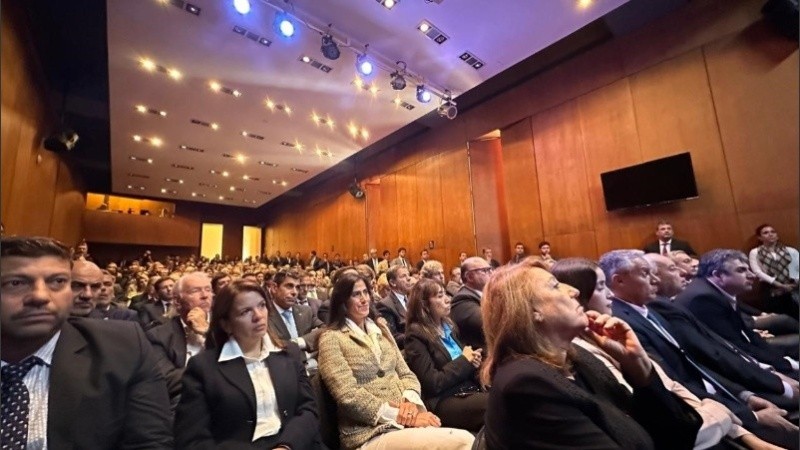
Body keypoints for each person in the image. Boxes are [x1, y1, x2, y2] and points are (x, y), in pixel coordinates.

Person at [552, 258, 782, 450]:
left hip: (711, 420)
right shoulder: (579, 352)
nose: (610, 295)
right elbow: (653, 428)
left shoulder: (614, 328)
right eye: (601, 287)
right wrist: (722, 414)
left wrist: (744, 434)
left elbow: (671, 384)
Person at [481, 258, 702, 449]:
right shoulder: (526, 385)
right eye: (555, 286)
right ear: (531, 311)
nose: (575, 291)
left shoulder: (578, 359)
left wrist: (638, 366)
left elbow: (676, 437)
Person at [1, 236, 172, 449]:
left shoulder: (122, 350)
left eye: (57, 282)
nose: (40, 296)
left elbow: (150, 444)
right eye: (16, 283)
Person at [317, 272, 474, 450]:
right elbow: (348, 396)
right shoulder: (331, 338)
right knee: (464, 441)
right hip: (369, 433)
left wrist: (410, 402)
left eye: (366, 292)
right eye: (356, 294)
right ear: (342, 301)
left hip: (405, 421)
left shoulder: (380, 329)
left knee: (463, 439)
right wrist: (400, 415)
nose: (364, 299)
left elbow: (406, 373)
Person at [175, 280, 323, 449]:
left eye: (261, 306)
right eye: (246, 311)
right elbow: (192, 438)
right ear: (226, 324)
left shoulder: (289, 352)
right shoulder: (203, 367)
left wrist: (286, 446)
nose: (259, 316)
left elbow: (308, 410)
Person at [675, 249, 799, 375]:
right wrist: (786, 365)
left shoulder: (712, 291)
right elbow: (735, 347)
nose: (752, 275)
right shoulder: (703, 299)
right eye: (741, 270)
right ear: (718, 275)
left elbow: (746, 335)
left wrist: (785, 361)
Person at [403, 279, 486, 432]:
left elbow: (465, 363)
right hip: (444, 400)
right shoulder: (415, 335)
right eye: (440, 296)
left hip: (468, 390)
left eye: (445, 294)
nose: (448, 299)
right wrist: (464, 361)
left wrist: (474, 363)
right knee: (495, 404)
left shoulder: (450, 326)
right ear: (425, 305)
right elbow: (433, 383)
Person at [146, 272, 213, 408]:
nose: (205, 295)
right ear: (177, 301)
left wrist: (208, 333)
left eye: (208, 290)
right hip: (183, 402)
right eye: (195, 291)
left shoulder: (226, 327)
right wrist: (214, 371)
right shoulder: (158, 335)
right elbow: (167, 381)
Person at [268, 271, 324, 373]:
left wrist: (301, 342)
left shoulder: (305, 311)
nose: (294, 292)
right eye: (289, 286)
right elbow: (275, 347)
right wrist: (306, 355)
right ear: (274, 288)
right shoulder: (265, 314)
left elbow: (326, 329)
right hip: (280, 372)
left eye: (297, 287)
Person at [748, 224, 799, 320]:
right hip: (770, 289)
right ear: (760, 237)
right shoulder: (755, 252)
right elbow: (757, 272)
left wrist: (796, 281)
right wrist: (778, 284)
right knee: (778, 318)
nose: (770, 234)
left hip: (791, 288)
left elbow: (797, 267)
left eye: (773, 232)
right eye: (766, 233)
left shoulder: (790, 250)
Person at [449, 257, 492, 350]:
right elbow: (490, 323)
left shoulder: (486, 294)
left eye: (490, 269)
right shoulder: (462, 300)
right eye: (485, 270)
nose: (491, 273)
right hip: (480, 358)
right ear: (469, 277)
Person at [377, 265, 414, 349]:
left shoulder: (411, 299)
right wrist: (418, 336)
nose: (409, 278)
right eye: (403, 276)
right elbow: (392, 337)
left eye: (408, 275)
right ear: (393, 283)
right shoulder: (385, 305)